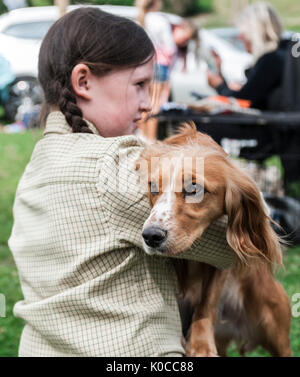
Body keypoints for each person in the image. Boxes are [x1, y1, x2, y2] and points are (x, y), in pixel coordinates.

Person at [8, 7, 235, 357]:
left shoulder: (35, 168)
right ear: (83, 82)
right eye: (140, 85)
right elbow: (239, 245)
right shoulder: (117, 170)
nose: (148, 105)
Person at [207, 2, 289, 110]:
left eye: (243, 33)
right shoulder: (284, 54)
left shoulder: (271, 60)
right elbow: (251, 94)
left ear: (254, 36)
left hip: (271, 124)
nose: (240, 37)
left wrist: (219, 85)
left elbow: (242, 101)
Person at [135, 0, 177, 140]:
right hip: (159, 64)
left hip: (143, 63)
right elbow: (170, 47)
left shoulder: (141, 18)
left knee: (142, 101)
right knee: (155, 104)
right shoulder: (160, 20)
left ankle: (142, 136)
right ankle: (151, 140)